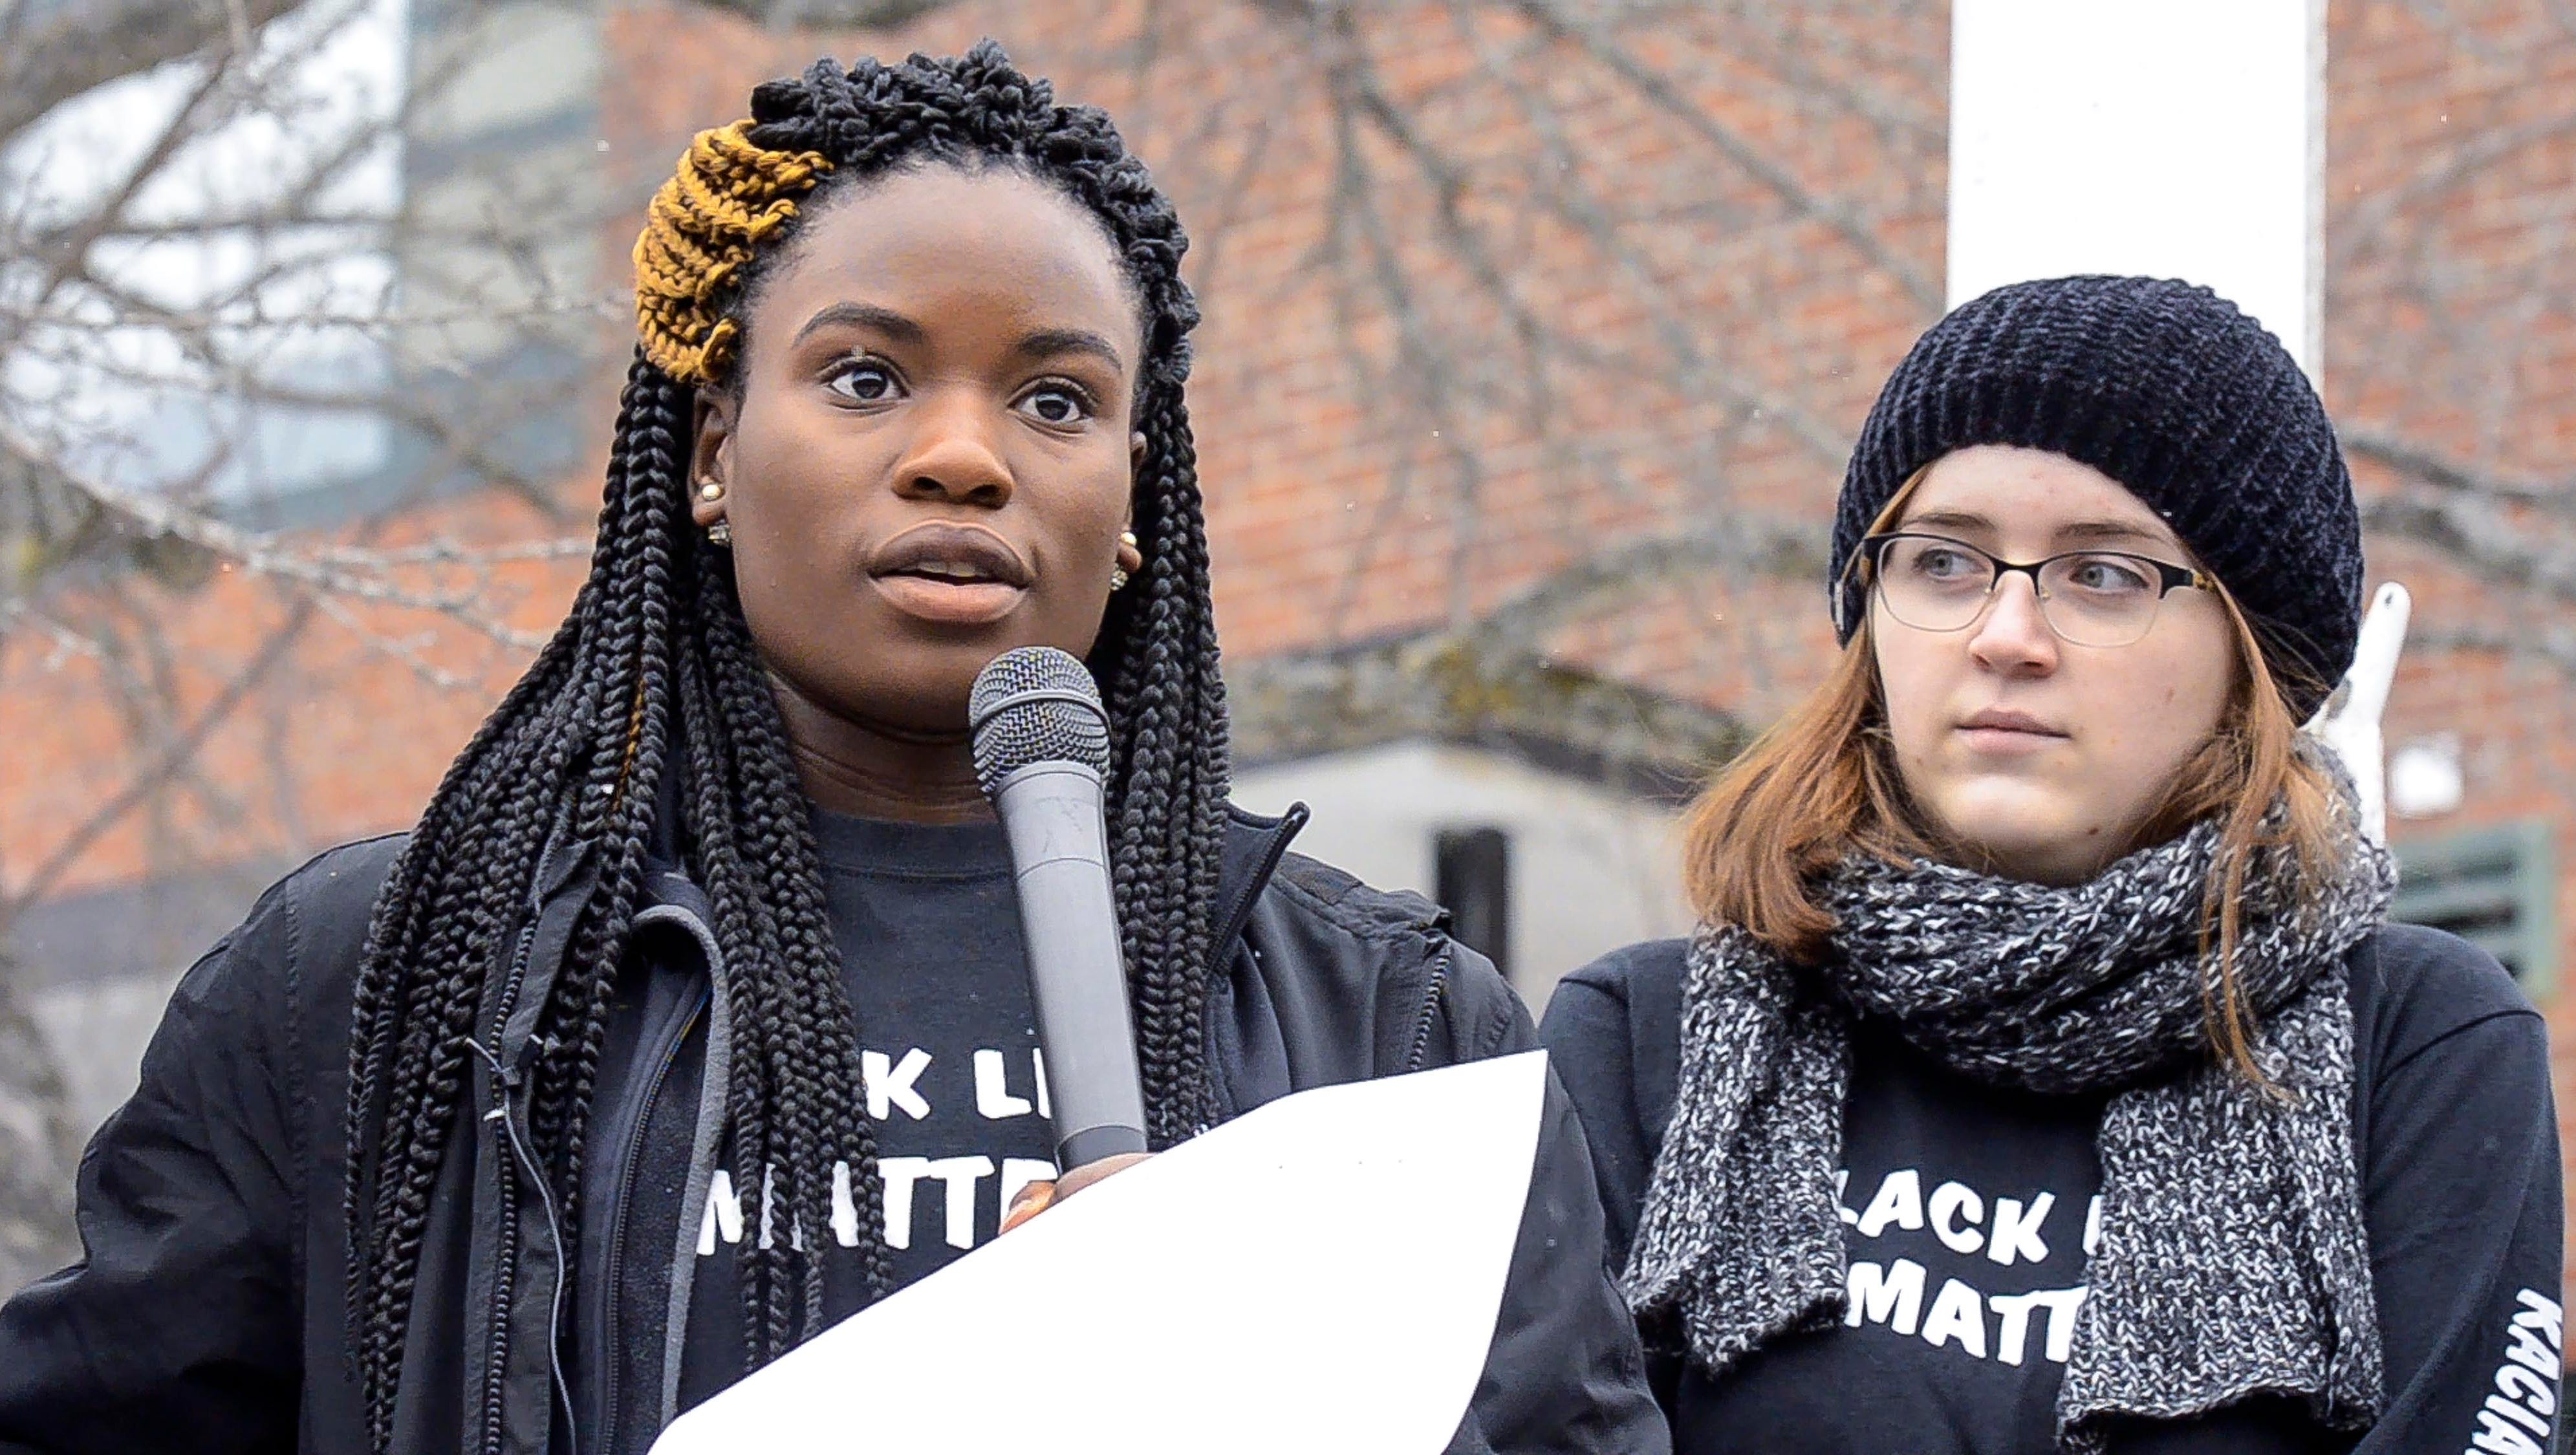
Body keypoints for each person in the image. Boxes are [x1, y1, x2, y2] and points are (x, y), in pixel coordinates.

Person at [0, 45, 1662, 1455]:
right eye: (866, 378)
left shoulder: (1395, 1032)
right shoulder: (391, 977)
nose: (963, 457)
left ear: (1135, 502)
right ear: (712, 455)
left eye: (1058, 402)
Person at [1540, 275, 2564, 1453]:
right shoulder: (1640, 1040)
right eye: (1943, 562)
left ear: (2255, 659)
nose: (2006, 635)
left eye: (2105, 575)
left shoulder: (2423, 1046)